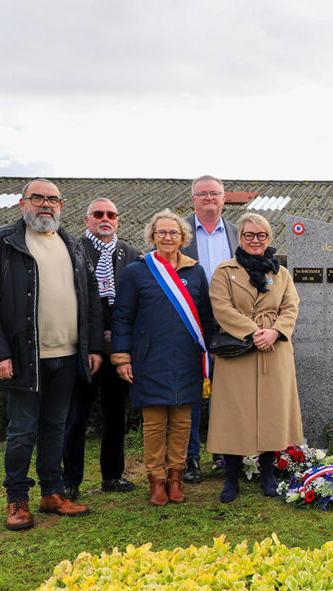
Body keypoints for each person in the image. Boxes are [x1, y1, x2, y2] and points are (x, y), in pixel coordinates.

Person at [0, 179, 101, 530]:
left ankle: (52, 492)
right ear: (23, 204)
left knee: (55, 427)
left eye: (52, 199)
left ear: (61, 206)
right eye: (38, 198)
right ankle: (17, 500)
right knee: (21, 431)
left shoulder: (74, 244)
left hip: (67, 354)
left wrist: (93, 347)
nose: (45, 204)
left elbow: (91, 300)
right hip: (21, 357)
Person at [111, 210, 213, 506]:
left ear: (183, 238)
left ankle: (176, 478)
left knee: (182, 423)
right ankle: (156, 480)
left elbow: (205, 317)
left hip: (187, 358)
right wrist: (121, 357)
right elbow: (122, 317)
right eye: (161, 233)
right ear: (152, 237)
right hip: (148, 359)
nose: (168, 237)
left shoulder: (196, 272)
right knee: (155, 424)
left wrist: (211, 354)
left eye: (174, 233)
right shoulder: (136, 271)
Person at [207, 213, 303, 502]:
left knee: (272, 413)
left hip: (274, 351)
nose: (255, 240)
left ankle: (268, 473)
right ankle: (231, 477)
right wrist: (253, 332)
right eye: (249, 235)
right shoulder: (225, 271)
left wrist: (274, 332)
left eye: (261, 235)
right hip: (238, 350)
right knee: (234, 414)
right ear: (240, 237)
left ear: (269, 238)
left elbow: (291, 307)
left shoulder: (282, 274)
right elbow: (222, 308)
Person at [62, 198, 142, 500]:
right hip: (85, 347)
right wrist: (96, 338)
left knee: (116, 414)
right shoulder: (73, 252)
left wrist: (119, 338)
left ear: (118, 220)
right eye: (98, 214)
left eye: (111, 214)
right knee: (77, 414)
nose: (105, 218)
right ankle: (70, 480)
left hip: (119, 348)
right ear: (87, 220)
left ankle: (112, 475)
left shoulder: (133, 256)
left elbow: (135, 303)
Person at [180, 175, 239, 483]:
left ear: (223, 198)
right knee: (192, 391)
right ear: (193, 199)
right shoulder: (180, 233)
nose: (208, 198)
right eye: (202, 194)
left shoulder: (236, 233)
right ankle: (191, 458)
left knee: (226, 391)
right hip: (190, 321)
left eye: (214, 193)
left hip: (228, 323)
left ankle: (222, 451)